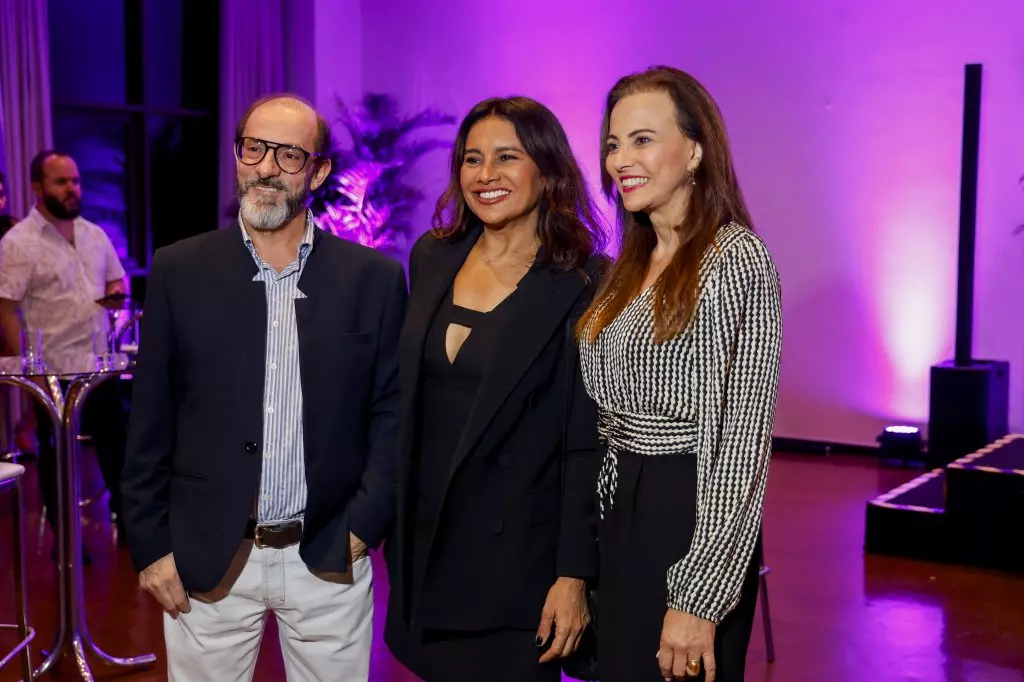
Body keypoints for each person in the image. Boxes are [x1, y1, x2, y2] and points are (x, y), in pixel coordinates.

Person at [120, 93, 407, 681]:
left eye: (290, 154)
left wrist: (363, 526)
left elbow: (393, 413)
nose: (267, 167)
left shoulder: (373, 280)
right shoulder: (179, 270)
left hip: (328, 554)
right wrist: (149, 544)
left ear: (319, 170)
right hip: (208, 557)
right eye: (255, 148)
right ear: (237, 154)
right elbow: (150, 419)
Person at [384, 96, 607, 682]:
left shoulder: (586, 280)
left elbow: (585, 441)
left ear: (548, 168)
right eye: (472, 159)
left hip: (517, 566)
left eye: (507, 157)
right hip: (427, 548)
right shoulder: (432, 256)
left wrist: (573, 574)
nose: (486, 176)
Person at [576, 66, 783, 681]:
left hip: (687, 513)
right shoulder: (628, 262)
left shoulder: (733, 258)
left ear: (695, 150)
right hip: (621, 508)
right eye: (613, 144)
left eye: (642, 139)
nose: (619, 160)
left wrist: (700, 595)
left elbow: (740, 446)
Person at [0, 151, 130, 555]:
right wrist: (29, 368)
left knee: (116, 445)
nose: (72, 188)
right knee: (56, 454)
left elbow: (117, 280)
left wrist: (114, 298)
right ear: (38, 188)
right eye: (61, 182)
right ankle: (64, 539)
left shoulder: (94, 233)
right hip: (52, 368)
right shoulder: (18, 242)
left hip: (96, 363)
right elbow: (4, 307)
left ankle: (129, 527)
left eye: (75, 180)